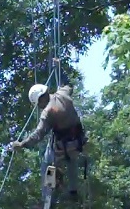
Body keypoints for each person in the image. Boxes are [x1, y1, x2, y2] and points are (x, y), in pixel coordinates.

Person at [10, 70, 86, 200]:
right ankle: (73, 190)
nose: (39, 107)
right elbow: (68, 84)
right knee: (71, 160)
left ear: (40, 100)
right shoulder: (63, 93)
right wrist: (60, 69)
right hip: (79, 140)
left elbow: (39, 134)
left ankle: (48, 193)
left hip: (64, 146)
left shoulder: (48, 112)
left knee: (47, 162)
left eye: (38, 104)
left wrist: (22, 144)